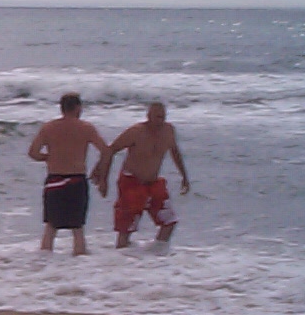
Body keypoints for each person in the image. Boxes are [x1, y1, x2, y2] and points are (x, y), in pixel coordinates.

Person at [95, 101, 190, 248]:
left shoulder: (168, 130)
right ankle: (121, 257)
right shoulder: (136, 132)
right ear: (148, 116)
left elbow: (175, 152)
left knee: (169, 222)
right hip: (131, 182)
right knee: (127, 228)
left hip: (153, 183)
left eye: (163, 117)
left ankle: (156, 255)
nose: (160, 121)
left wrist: (184, 176)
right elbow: (110, 150)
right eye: (157, 117)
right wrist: (103, 179)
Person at [27, 93, 110, 255]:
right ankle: (79, 263)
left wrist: (49, 157)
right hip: (76, 180)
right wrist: (98, 169)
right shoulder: (86, 128)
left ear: (62, 108)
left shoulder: (48, 128)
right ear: (78, 108)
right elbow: (106, 151)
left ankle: (43, 262)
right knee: (77, 228)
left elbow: (33, 153)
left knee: (51, 227)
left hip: (55, 180)